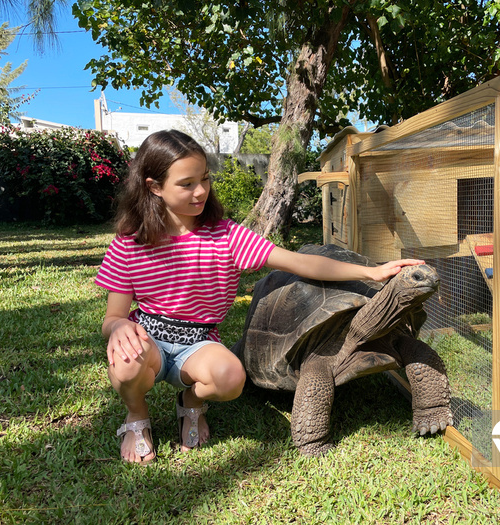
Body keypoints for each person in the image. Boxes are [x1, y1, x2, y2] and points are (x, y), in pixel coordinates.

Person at [95, 129, 424, 464]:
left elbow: (300, 262)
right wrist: (119, 327)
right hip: (146, 337)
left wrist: (371, 272)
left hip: (197, 342)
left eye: (205, 179)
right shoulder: (130, 243)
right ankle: (136, 417)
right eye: (187, 183)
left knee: (231, 378)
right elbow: (113, 317)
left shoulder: (226, 236)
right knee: (126, 365)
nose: (200, 191)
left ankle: (191, 403)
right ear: (154, 187)